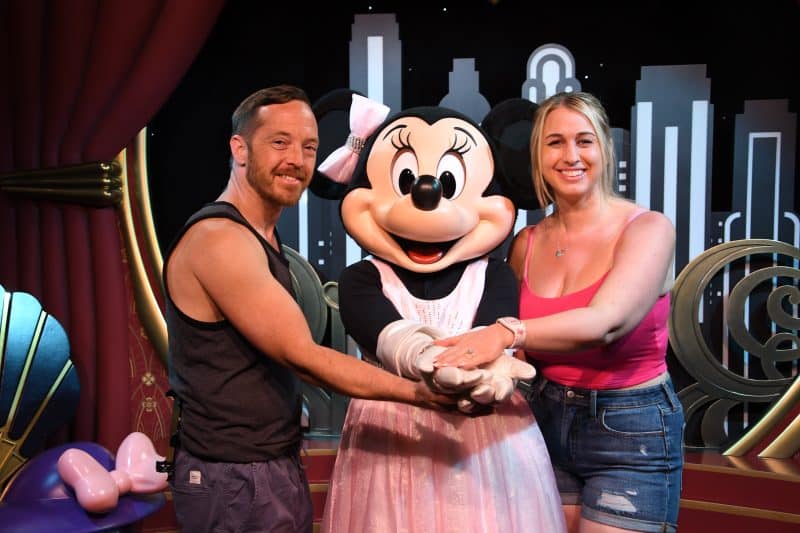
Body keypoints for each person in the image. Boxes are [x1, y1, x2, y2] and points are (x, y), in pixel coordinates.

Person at [163, 85, 455, 533]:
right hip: (233, 478)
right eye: (280, 142)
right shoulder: (220, 239)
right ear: (240, 149)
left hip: (265, 466)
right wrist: (421, 395)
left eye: (309, 147)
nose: (296, 160)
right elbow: (303, 355)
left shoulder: (261, 235)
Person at [313, 95, 566, 532]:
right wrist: (434, 362)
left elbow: (491, 335)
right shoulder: (361, 279)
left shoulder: (495, 275)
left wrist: (491, 375)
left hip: (486, 437)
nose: (425, 194)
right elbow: (389, 337)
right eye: (406, 179)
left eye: (448, 181)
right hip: (391, 434)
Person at [435, 91, 684, 533]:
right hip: (541, 418)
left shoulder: (649, 228)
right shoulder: (526, 242)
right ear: (538, 155)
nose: (571, 156)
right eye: (555, 142)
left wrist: (505, 333)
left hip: (630, 429)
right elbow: (520, 358)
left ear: (605, 149)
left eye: (584, 141)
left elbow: (607, 323)